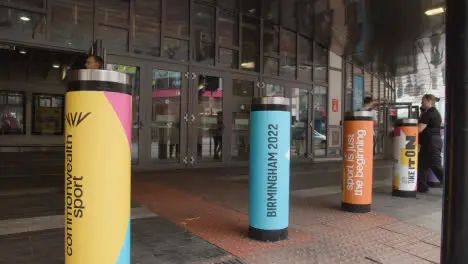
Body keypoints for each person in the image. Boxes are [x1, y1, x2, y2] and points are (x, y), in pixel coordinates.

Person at [417, 94, 444, 192]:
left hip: (431, 142)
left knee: (435, 165)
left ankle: (450, 184)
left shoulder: (428, 114)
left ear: (429, 101)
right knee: (422, 165)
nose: (421, 103)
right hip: (431, 142)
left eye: (423, 101)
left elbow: (419, 129)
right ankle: (422, 187)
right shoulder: (433, 112)